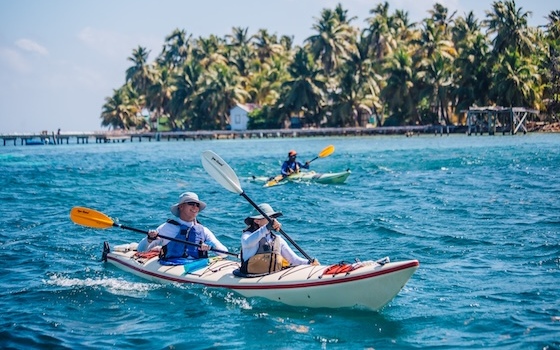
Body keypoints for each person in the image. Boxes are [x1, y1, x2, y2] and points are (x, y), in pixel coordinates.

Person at [137, 192, 228, 262]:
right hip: (172, 264)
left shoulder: (204, 230)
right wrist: (149, 239)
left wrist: (211, 245)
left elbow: (224, 253)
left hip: (197, 266)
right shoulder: (166, 228)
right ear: (181, 207)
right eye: (191, 203)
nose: (195, 207)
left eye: (197, 205)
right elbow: (141, 250)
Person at [240, 203, 319, 275]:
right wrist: (266, 228)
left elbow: (293, 260)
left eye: (273, 217)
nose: (273, 220)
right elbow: (247, 243)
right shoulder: (247, 235)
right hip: (249, 276)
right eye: (269, 217)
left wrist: (309, 262)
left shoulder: (277, 239)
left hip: (270, 275)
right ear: (257, 221)